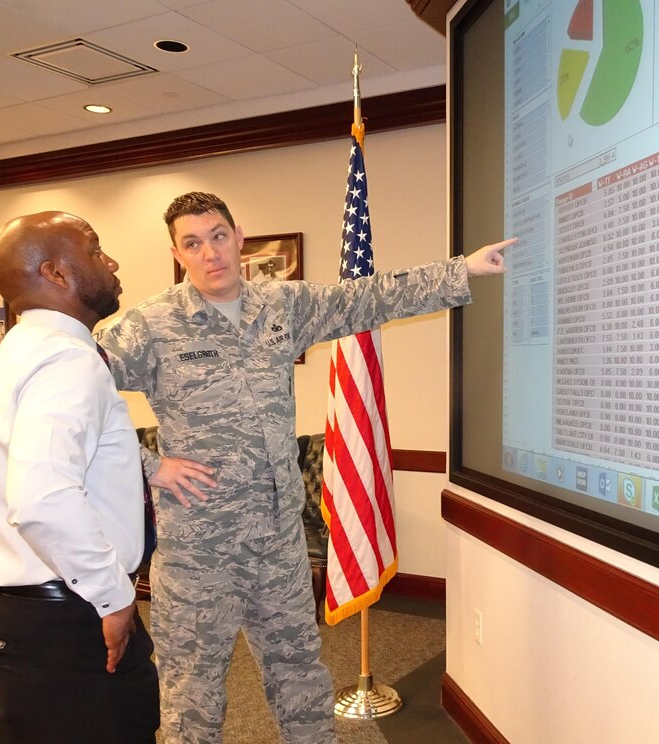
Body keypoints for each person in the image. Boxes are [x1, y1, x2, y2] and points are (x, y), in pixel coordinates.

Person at [98, 191, 511, 743]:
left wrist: (463, 269)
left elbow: (366, 298)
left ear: (238, 236)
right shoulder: (150, 325)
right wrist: (147, 463)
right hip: (200, 547)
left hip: (278, 539)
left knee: (301, 681)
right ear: (177, 252)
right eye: (193, 244)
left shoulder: (281, 305)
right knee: (192, 698)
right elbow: (74, 401)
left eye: (218, 236)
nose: (210, 253)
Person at [0, 211, 159, 744]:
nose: (112, 262)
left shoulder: (22, 350)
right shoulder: (69, 359)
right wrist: (113, 597)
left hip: (10, 616)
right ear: (57, 274)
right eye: (95, 250)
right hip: (60, 622)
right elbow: (43, 498)